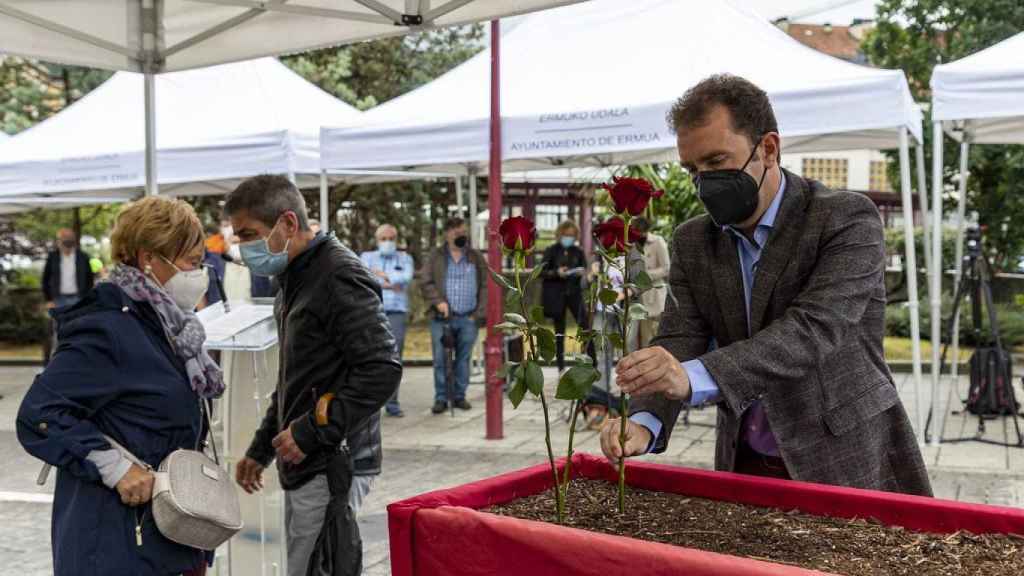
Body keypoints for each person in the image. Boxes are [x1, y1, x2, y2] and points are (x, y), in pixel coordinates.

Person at [603, 74, 931, 496]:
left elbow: (814, 329)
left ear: (769, 149)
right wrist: (644, 421)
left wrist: (693, 376)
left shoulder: (845, 219)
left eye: (718, 161)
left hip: (843, 455)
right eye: (693, 169)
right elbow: (681, 337)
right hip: (745, 459)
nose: (705, 181)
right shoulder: (693, 240)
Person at [17, 196, 220, 575]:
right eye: (192, 262)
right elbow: (39, 414)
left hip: (167, 536)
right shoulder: (107, 325)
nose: (200, 273)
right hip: (118, 543)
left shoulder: (169, 325)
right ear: (149, 258)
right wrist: (115, 468)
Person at [227, 175, 400, 576]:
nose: (243, 248)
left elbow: (381, 369)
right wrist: (260, 449)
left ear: (288, 223)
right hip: (307, 457)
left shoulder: (336, 275)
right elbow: (295, 379)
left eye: (249, 234)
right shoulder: (296, 276)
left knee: (313, 566)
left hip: (332, 459)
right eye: (238, 237)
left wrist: (310, 432)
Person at [418, 217, 487, 415]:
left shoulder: (475, 256)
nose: (460, 236)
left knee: (463, 359)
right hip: (442, 319)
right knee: (440, 359)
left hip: (468, 318)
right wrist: (438, 301)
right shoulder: (436, 256)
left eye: (463, 232)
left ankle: (459, 395)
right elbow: (425, 280)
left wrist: (478, 314)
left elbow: (485, 285)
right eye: (456, 233)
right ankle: (441, 397)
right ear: (447, 234)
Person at [360, 223, 414, 417]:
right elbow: (364, 279)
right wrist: (391, 282)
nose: (388, 242)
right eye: (384, 239)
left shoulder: (405, 258)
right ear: (377, 241)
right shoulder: (366, 258)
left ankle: (392, 403)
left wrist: (382, 277)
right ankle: (370, 403)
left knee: (395, 357)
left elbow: (406, 277)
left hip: (397, 313)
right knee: (369, 357)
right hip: (372, 312)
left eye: (391, 239)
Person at [41, 229, 96, 364]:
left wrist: (87, 299)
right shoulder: (52, 257)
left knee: (80, 329)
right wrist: (48, 299)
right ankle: (56, 362)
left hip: (78, 298)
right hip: (58, 299)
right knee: (57, 331)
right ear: (59, 242)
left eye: (68, 241)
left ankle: (78, 360)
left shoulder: (83, 257)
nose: (65, 245)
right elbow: (45, 279)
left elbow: (90, 279)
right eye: (62, 241)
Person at [540, 219, 588, 372]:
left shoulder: (578, 251)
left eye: (572, 235)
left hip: (574, 293)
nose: (569, 238)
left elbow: (585, 270)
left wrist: (582, 273)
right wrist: (556, 273)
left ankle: (587, 360)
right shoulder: (551, 250)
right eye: (566, 235)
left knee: (585, 326)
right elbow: (541, 272)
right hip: (557, 296)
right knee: (559, 332)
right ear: (560, 235)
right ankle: (560, 366)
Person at [631, 216, 671, 348]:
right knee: (644, 341)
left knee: (657, 338)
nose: (639, 234)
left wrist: (647, 275)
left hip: (656, 297)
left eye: (641, 232)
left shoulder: (658, 241)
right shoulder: (632, 245)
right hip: (638, 297)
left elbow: (666, 268)